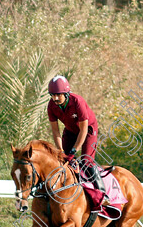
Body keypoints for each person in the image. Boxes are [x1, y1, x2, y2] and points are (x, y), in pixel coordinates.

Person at [46, 75, 110, 211]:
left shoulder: (77, 101)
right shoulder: (51, 106)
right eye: (52, 95)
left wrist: (74, 150)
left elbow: (83, 129)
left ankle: (103, 194)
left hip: (87, 130)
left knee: (86, 161)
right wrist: (61, 151)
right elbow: (55, 131)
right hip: (70, 130)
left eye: (58, 95)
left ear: (66, 93)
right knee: (61, 161)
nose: (55, 98)